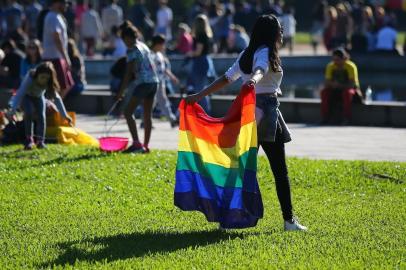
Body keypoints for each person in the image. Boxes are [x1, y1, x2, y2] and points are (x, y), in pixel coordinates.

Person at [185, 14, 307, 231]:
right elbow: (260, 69)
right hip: (266, 115)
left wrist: (198, 95)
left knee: (240, 170)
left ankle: (228, 220)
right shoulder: (265, 52)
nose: (281, 32)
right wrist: (253, 79)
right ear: (272, 33)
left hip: (249, 116)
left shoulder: (245, 54)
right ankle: (289, 221)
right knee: (280, 171)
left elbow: (226, 78)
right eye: (279, 28)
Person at [7, 62, 72, 150]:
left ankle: (40, 141)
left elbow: (57, 99)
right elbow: (20, 94)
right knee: (29, 113)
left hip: (39, 97)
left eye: (47, 78)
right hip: (27, 96)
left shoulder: (49, 83)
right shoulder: (30, 77)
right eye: (42, 77)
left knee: (41, 116)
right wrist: (13, 110)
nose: (44, 80)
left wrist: (65, 115)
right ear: (37, 75)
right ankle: (29, 139)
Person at [116, 21, 159, 154]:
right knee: (147, 115)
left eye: (124, 40)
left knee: (128, 112)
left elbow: (128, 73)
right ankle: (145, 146)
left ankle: (136, 144)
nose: (124, 43)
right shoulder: (144, 46)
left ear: (127, 38)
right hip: (154, 82)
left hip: (143, 83)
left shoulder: (132, 49)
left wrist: (121, 92)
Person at [42, 0, 74, 98]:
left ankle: (54, 109)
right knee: (59, 86)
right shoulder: (52, 17)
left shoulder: (58, 16)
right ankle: (51, 109)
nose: (66, 5)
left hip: (58, 56)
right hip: (53, 57)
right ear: (56, 3)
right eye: (64, 3)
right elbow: (57, 38)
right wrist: (66, 57)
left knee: (68, 84)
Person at [320, 48, 361, 125]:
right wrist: (333, 85)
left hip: (351, 90)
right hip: (335, 90)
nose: (336, 62)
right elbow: (327, 82)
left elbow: (352, 84)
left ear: (344, 58)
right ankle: (325, 117)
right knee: (324, 92)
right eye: (334, 59)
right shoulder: (330, 66)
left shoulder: (350, 66)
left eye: (338, 59)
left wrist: (339, 85)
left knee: (347, 93)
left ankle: (347, 118)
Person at [186, 14, 216, 113]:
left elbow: (198, 52)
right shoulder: (207, 35)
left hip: (200, 63)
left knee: (200, 91)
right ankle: (205, 112)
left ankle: (206, 113)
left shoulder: (200, 36)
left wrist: (190, 53)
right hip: (206, 61)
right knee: (203, 90)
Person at [150, 35, 179, 127]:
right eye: (162, 44)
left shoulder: (160, 55)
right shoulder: (150, 55)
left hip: (161, 81)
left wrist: (172, 77)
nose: (164, 46)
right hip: (153, 82)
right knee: (152, 101)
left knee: (161, 100)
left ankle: (172, 119)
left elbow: (164, 69)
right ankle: (145, 120)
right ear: (157, 44)